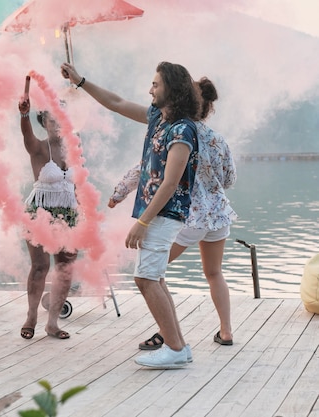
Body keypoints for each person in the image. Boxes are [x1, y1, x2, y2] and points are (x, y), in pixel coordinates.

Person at [61, 61, 199, 368]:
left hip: (165, 213)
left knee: (146, 279)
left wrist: (143, 222)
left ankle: (174, 349)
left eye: (156, 84)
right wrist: (81, 81)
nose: (150, 89)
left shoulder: (183, 130)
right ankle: (180, 346)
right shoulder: (157, 117)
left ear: (172, 90)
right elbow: (117, 102)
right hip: (156, 213)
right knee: (155, 278)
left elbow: (172, 182)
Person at [108, 77, 237, 349]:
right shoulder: (217, 139)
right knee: (214, 273)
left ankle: (167, 334)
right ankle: (226, 332)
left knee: (153, 274)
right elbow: (229, 179)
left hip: (191, 215)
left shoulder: (178, 131)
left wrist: (119, 192)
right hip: (219, 214)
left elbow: (145, 167)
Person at [17, 94, 78, 341]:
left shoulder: (74, 149)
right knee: (40, 266)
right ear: (44, 121)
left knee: (65, 267)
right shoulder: (38, 147)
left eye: (61, 120)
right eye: (52, 120)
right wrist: (23, 114)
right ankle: (31, 316)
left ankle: (52, 323)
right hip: (40, 212)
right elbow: (26, 135)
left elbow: (80, 184)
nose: (57, 124)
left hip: (68, 213)